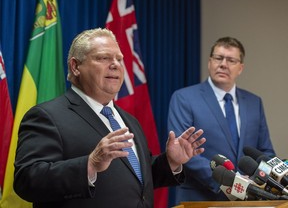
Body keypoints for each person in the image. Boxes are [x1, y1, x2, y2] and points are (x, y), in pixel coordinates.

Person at [13, 28, 206, 208]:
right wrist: (90, 165)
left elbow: (133, 178)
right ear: (75, 66)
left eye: (119, 59)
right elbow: (27, 180)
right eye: (104, 58)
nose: (115, 64)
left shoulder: (129, 120)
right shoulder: (47, 116)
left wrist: (171, 162)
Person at [167, 37, 276, 202]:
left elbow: (265, 152)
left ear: (240, 68)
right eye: (218, 58)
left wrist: (259, 183)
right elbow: (183, 152)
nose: (223, 64)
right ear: (210, 62)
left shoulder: (255, 102)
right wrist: (232, 183)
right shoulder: (184, 98)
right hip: (200, 199)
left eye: (231, 60)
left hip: (250, 201)